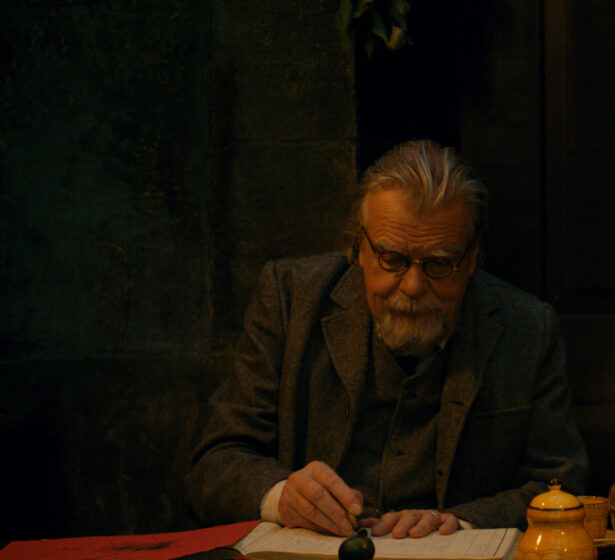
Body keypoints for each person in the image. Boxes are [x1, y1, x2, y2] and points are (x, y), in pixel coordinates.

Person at [188, 140, 588, 538]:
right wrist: (282, 498)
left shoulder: (527, 327)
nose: (413, 287)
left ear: (471, 259)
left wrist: (464, 523)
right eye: (392, 259)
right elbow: (214, 462)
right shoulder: (290, 299)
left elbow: (561, 483)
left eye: (439, 263)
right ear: (358, 247)